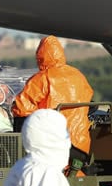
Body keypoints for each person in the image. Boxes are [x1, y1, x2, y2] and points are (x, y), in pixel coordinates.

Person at [12, 35, 94, 176]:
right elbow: (90, 101)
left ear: (40, 56)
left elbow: (21, 109)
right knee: (75, 181)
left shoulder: (42, 78)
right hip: (81, 145)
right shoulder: (78, 75)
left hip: (54, 145)